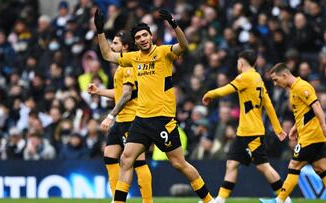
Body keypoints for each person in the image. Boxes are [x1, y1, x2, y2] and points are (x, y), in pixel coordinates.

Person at [94, 8, 216, 203]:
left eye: (145, 35)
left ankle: (209, 200)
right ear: (134, 42)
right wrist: (100, 31)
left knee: (179, 164)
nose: (142, 39)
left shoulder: (163, 52)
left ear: (151, 36)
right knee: (126, 160)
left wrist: (175, 25)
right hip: (141, 119)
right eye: (139, 37)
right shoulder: (133, 59)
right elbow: (108, 55)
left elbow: (184, 46)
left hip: (162, 120)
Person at [202, 50, 291, 203]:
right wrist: (277, 128)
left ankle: (285, 198)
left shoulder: (244, 77)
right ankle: (220, 200)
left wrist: (209, 93)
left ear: (241, 62)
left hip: (252, 132)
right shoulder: (258, 78)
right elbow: (268, 105)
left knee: (263, 166)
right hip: (243, 132)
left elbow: (226, 89)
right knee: (231, 164)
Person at [260, 63, 326, 203]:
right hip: (308, 134)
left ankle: (279, 201)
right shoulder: (293, 90)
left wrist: (324, 126)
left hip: (311, 136)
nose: (275, 84)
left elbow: (316, 105)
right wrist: (294, 128)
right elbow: (304, 113)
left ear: (284, 75)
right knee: (321, 168)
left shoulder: (302, 87)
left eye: (276, 80)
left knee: (294, 166)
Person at [87, 31, 152, 202]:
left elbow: (126, 95)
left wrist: (109, 116)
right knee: (109, 156)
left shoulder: (129, 66)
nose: (111, 46)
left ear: (125, 47)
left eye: (115, 43)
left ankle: (147, 201)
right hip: (122, 120)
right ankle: (117, 198)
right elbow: (119, 93)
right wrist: (99, 91)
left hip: (133, 120)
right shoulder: (122, 67)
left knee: (138, 161)